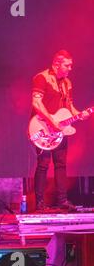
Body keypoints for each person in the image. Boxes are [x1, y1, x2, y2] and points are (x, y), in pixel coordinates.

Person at [31, 50, 89, 212]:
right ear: (56, 64)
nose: (70, 68)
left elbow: (69, 107)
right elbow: (36, 103)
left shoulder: (67, 83)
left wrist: (80, 115)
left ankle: (62, 200)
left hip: (60, 130)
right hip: (42, 127)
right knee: (43, 164)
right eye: (67, 65)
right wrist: (51, 121)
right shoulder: (41, 78)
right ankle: (40, 203)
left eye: (71, 65)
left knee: (61, 164)